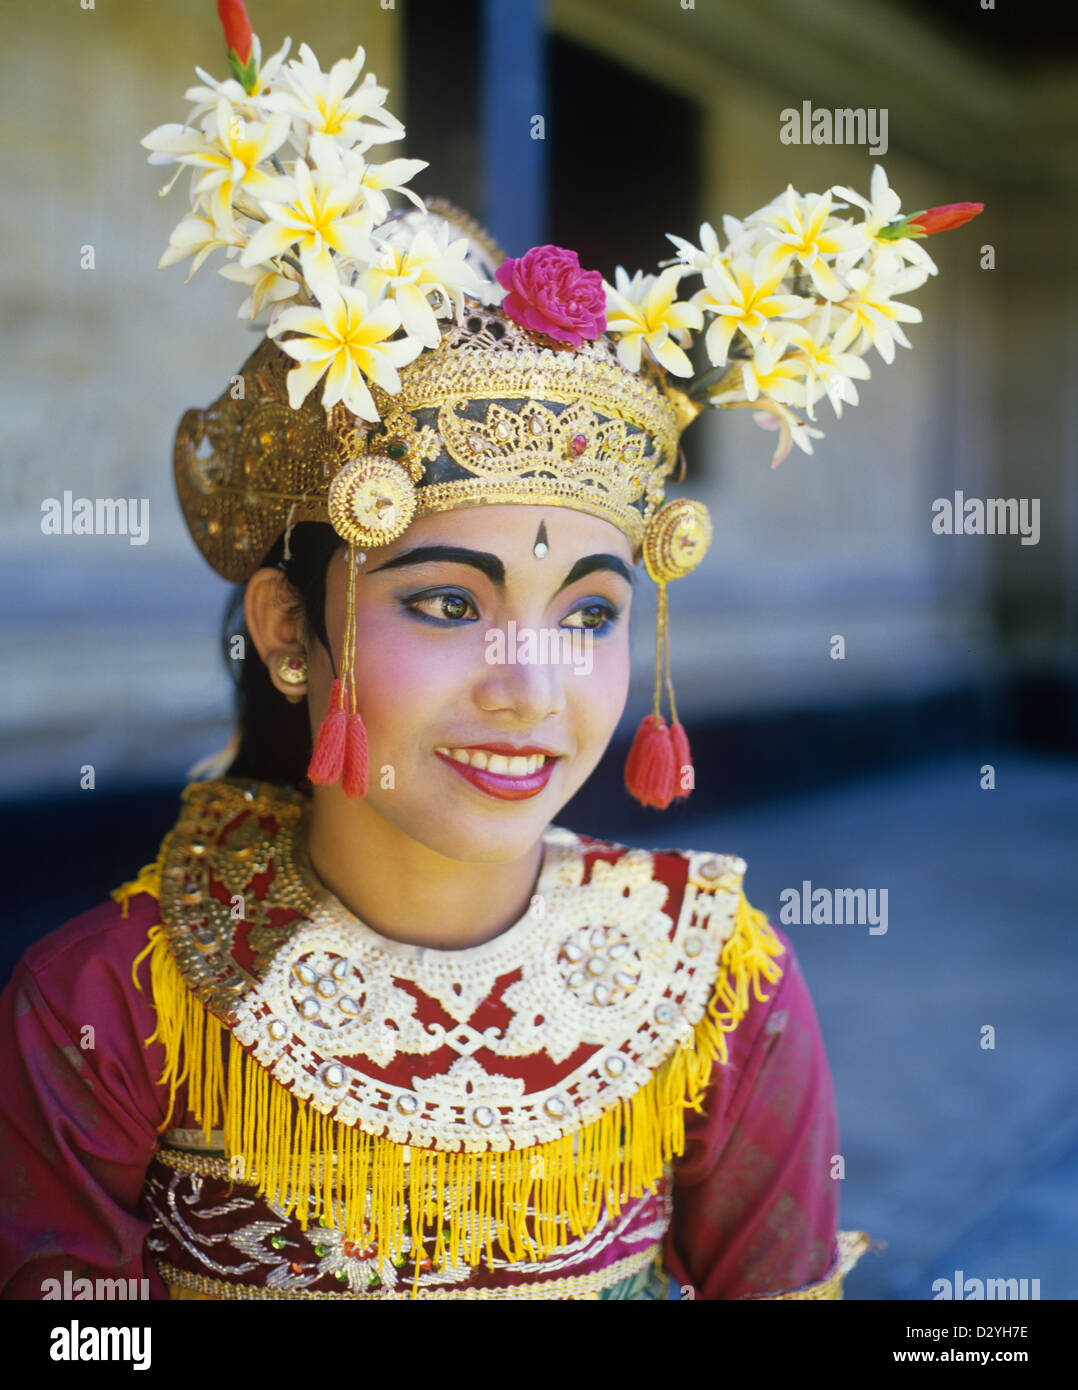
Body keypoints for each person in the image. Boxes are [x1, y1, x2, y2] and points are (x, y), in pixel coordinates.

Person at [0, 2, 981, 1301]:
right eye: (447, 604)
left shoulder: (715, 987)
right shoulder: (114, 1000)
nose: (529, 682)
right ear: (290, 630)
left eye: (586, 613)